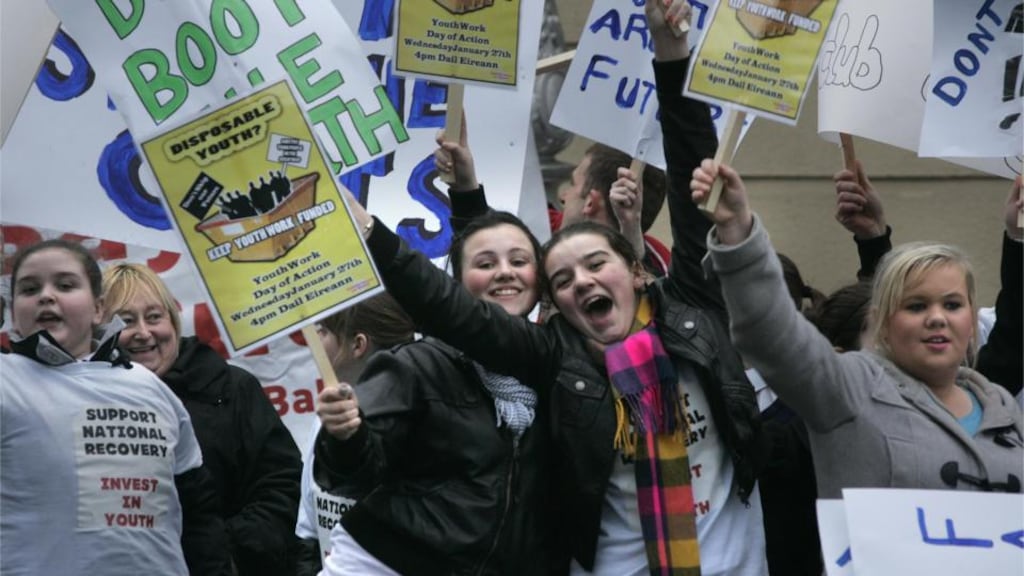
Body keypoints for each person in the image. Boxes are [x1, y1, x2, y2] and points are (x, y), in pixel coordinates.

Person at [334, 3, 767, 574]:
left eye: (595, 264)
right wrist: (370, 231)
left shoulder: (693, 315)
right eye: (562, 279)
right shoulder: (554, 359)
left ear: (636, 269)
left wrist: (671, 56)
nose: (582, 281)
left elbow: (695, 186)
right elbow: (456, 310)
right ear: (554, 303)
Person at [692, 159, 1023, 497]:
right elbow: (772, 334)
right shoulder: (849, 390)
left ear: (971, 321)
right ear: (881, 322)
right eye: (916, 306)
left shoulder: (1002, 407)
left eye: (952, 305)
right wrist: (737, 232)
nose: (937, 318)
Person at [313, 209, 555, 575]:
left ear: (540, 278)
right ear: (455, 283)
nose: (505, 271)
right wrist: (346, 436)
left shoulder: (558, 367)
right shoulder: (415, 365)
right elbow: (354, 476)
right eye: (485, 263)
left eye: (519, 260)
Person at [1, 239, 231, 575]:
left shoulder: (150, 387)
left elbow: (199, 518)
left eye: (65, 285)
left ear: (98, 309)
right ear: (13, 314)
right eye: (29, 288)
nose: (46, 296)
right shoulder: (7, 381)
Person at [102, 263, 302, 576]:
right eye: (126, 321)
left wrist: (227, 554)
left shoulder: (233, 387)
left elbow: (278, 482)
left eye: (154, 317)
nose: (143, 332)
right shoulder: (83, 400)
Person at [293, 293, 415, 576]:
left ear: (358, 344)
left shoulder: (415, 421)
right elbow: (309, 529)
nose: (313, 344)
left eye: (322, 331)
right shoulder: (327, 418)